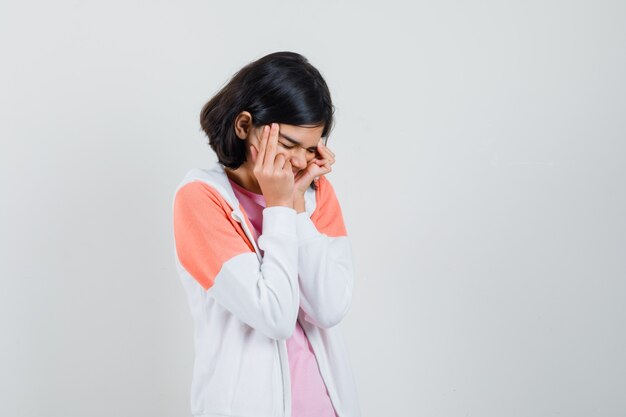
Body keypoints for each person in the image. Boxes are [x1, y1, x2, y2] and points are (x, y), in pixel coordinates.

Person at [172, 51, 361, 417]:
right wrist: (278, 207)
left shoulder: (314, 194)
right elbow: (274, 315)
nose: (301, 163)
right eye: (288, 145)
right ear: (244, 126)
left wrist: (296, 208)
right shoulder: (200, 198)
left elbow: (329, 307)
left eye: (310, 149)